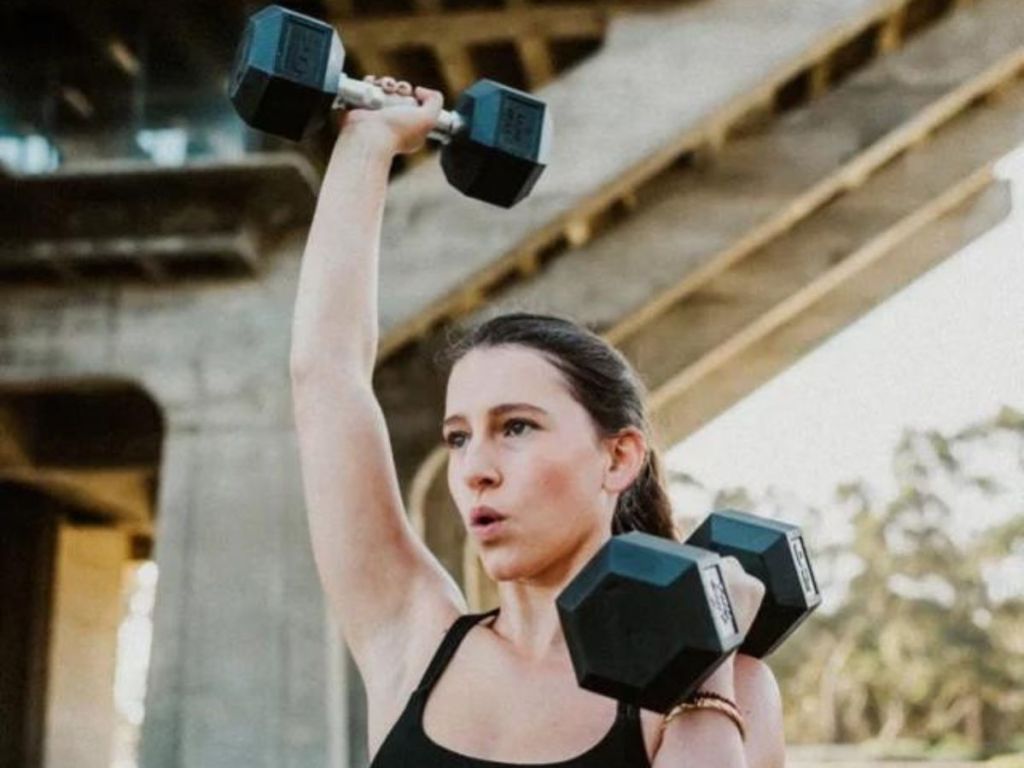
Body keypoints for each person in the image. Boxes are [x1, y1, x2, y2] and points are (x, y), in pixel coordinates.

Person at [289, 75, 786, 768]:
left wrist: (700, 666)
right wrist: (367, 145)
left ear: (618, 458)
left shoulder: (731, 686)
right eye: (459, 437)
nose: (476, 469)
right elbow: (326, 377)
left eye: (516, 427)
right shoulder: (414, 634)